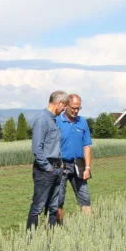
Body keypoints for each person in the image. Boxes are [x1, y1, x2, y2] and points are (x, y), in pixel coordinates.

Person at [27, 91, 69, 230]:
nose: (64, 110)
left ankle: (51, 234)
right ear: (59, 103)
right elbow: (37, 149)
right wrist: (48, 168)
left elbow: (54, 147)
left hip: (56, 167)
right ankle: (31, 237)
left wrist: (60, 165)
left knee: (54, 205)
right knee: (38, 205)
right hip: (45, 170)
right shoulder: (42, 120)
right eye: (64, 106)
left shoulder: (53, 120)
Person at [55, 94, 92, 221]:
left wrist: (87, 168)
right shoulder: (57, 121)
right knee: (59, 198)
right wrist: (57, 165)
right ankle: (58, 226)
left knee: (85, 197)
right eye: (73, 108)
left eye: (78, 108)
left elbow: (87, 146)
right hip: (61, 164)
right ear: (66, 106)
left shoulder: (82, 122)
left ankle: (88, 226)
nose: (76, 111)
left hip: (79, 164)